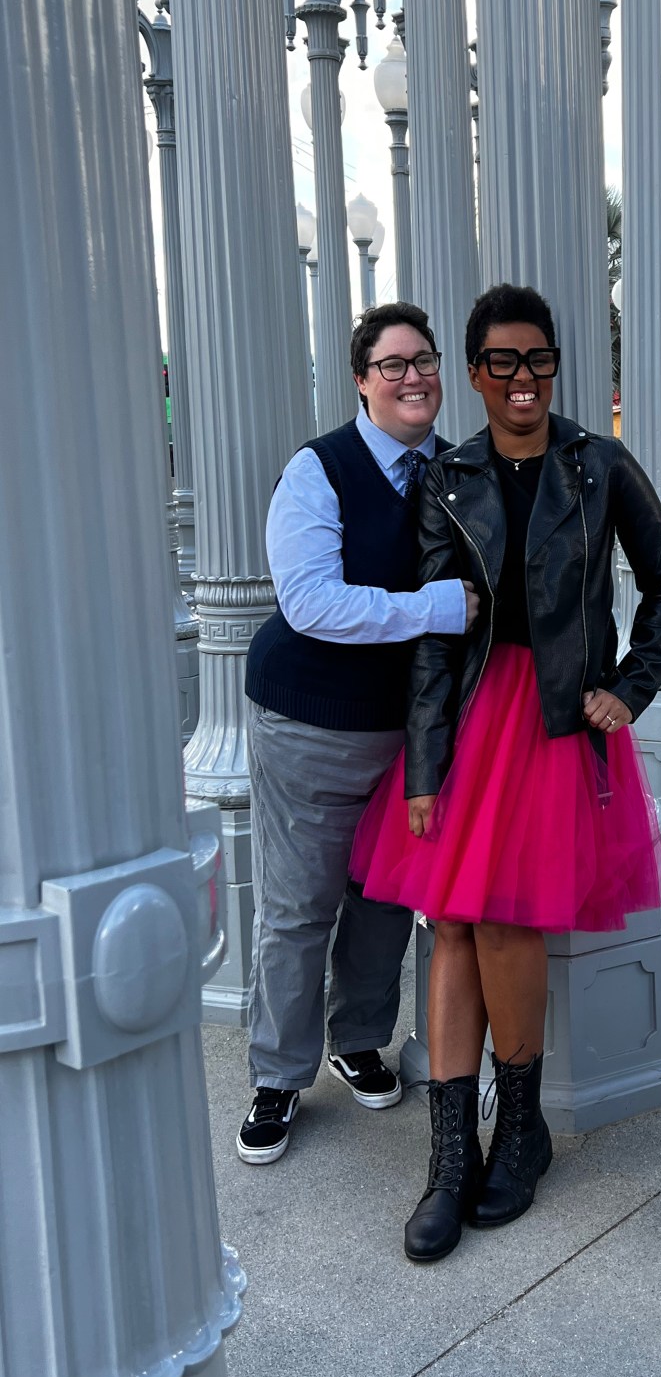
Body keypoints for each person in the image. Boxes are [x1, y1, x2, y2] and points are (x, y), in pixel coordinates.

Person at [350, 282, 661, 1263]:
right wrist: (420, 761)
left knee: (501, 919)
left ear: (554, 366)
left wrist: (631, 683)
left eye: (535, 359)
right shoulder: (445, 477)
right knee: (448, 920)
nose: (520, 378)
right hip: (464, 722)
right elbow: (425, 632)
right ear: (474, 375)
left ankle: (523, 1128)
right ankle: (450, 1158)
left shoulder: (598, 464)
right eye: (500, 362)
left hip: (550, 718)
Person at [237, 301, 478, 1165]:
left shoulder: (458, 470)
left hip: (411, 736)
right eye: (394, 364)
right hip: (310, 719)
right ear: (361, 379)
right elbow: (309, 601)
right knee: (301, 905)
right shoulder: (319, 469)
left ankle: (359, 1037)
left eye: (425, 360)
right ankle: (277, 1072)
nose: (414, 376)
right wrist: (434, 608)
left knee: (384, 898)